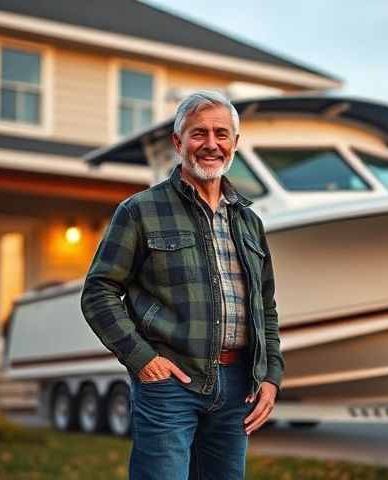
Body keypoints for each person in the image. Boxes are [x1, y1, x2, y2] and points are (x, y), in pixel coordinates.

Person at [80, 90, 284, 480]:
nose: (211, 144)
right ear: (178, 142)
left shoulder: (249, 222)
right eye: (198, 133)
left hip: (238, 384)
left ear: (235, 145)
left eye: (221, 134)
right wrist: (142, 359)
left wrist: (271, 376)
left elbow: (266, 308)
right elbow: (99, 292)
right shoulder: (140, 210)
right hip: (171, 383)